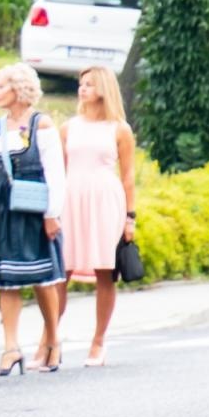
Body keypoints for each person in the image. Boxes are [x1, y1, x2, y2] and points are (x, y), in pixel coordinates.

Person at [0, 62, 67, 375]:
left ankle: (53, 340)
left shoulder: (42, 125)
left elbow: (55, 173)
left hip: (35, 209)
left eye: (1, 86)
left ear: (19, 89)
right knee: (6, 281)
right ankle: (11, 347)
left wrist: (52, 213)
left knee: (43, 278)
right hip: (5, 208)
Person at [59, 65, 135, 367]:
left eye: (89, 84)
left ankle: (99, 341)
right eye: (81, 83)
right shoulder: (68, 127)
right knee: (60, 271)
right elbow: (59, 169)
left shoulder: (119, 129)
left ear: (103, 88)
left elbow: (128, 176)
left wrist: (130, 217)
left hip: (105, 198)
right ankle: (49, 339)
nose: (83, 89)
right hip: (71, 197)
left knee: (105, 269)